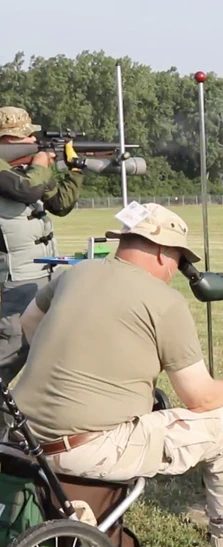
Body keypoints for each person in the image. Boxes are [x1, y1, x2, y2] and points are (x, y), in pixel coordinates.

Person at [12, 203, 223, 547]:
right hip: (87, 447)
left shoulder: (75, 273)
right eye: (179, 259)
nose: (177, 269)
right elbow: (200, 397)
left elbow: (28, 323)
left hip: (22, 437)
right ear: (163, 253)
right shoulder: (164, 301)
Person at [0, 106, 83, 384]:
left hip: (42, 276)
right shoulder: (13, 172)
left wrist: (74, 170)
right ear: (7, 140)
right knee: (10, 352)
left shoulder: (26, 169)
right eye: (25, 137)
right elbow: (26, 189)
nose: (31, 141)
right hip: (13, 281)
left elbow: (59, 204)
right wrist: (41, 161)